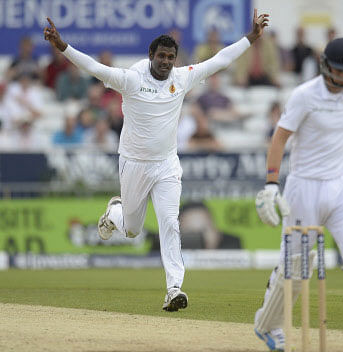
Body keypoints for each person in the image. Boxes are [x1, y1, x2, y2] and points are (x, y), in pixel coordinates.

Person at [43, 10, 269, 311]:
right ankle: (115, 213)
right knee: (133, 229)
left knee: (170, 223)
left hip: (166, 165)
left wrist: (251, 38)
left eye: (170, 57)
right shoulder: (131, 79)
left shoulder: (181, 78)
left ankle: (174, 288)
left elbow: (220, 61)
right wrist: (62, 46)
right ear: (152, 55)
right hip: (134, 163)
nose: (165, 62)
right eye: (161, 56)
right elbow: (94, 68)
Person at [253, 38, 343, 352]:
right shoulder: (304, 95)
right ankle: (267, 324)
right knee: (297, 266)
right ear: (326, 66)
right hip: (305, 186)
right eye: (338, 70)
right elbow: (279, 138)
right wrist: (272, 184)